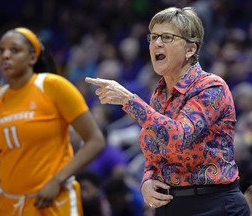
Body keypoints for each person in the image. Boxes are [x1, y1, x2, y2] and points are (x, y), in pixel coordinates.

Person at [85, 6, 250, 216]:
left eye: (166, 37)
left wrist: (129, 101)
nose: (156, 43)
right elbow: (155, 154)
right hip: (169, 206)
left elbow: (179, 136)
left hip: (213, 204)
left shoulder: (211, 88)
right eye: (153, 37)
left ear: (190, 49)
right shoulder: (159, 95)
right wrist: (147, 180)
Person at [0, 27, 105, 216]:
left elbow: (95, 140)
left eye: (14, 50)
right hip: (9, 205)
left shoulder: (53, 86)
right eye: (1, 50)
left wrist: (57, 180)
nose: (5, 56)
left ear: (32, 58)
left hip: (52, 200)